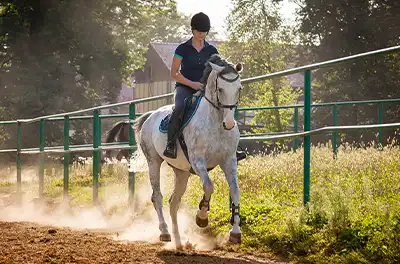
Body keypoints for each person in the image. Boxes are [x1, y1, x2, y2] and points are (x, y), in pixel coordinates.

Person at [163, 12, 246, 162]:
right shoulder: (182, 49)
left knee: (225, 106)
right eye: (199, 31)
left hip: (206, 89)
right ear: (192, 30)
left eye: (204, 32)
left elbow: (221, 69)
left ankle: (234, 147)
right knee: (180, 107)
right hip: (184, 87)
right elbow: (174, 73)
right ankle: (170, 144)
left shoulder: (212, 50)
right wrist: (192, 84)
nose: (202, 34)